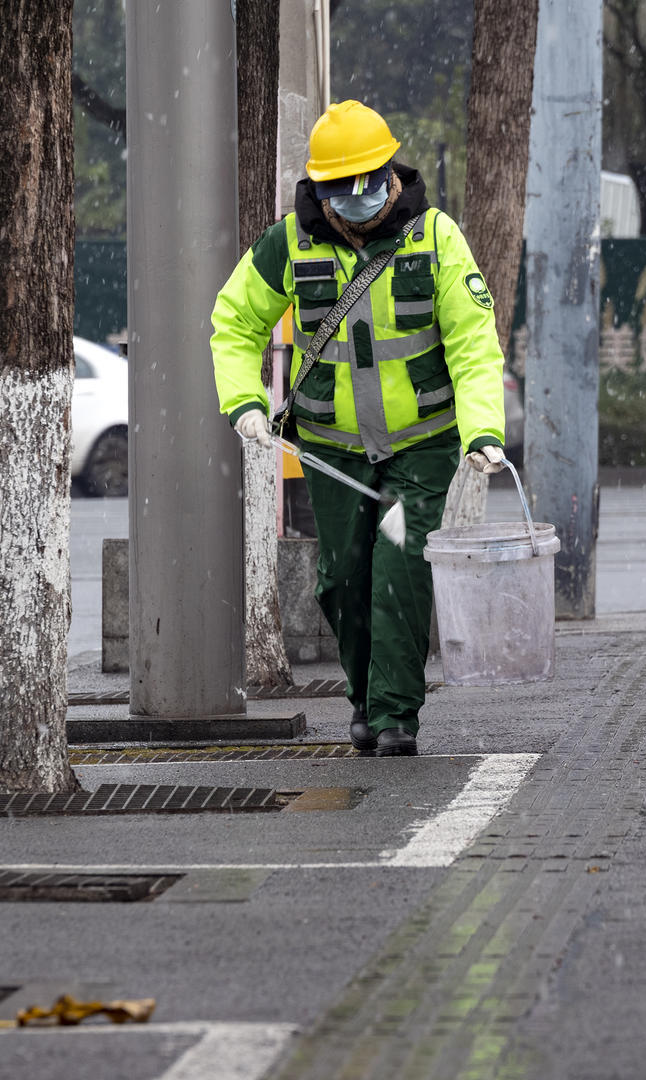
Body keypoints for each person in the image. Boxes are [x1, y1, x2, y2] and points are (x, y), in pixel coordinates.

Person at [211, 100, 507, 757]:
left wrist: (483, 430)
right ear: (319, 188)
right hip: (333, 450)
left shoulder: (436, 238)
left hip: (421, 446)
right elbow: (234, 322)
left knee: (400, 570)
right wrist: (245, 401)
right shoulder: (288, 243)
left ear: (389, 174)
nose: (353, 199)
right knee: (343, 578)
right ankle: (364, 698)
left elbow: (473, 343)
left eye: (364, 183)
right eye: (336, 188)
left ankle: (395, 714)